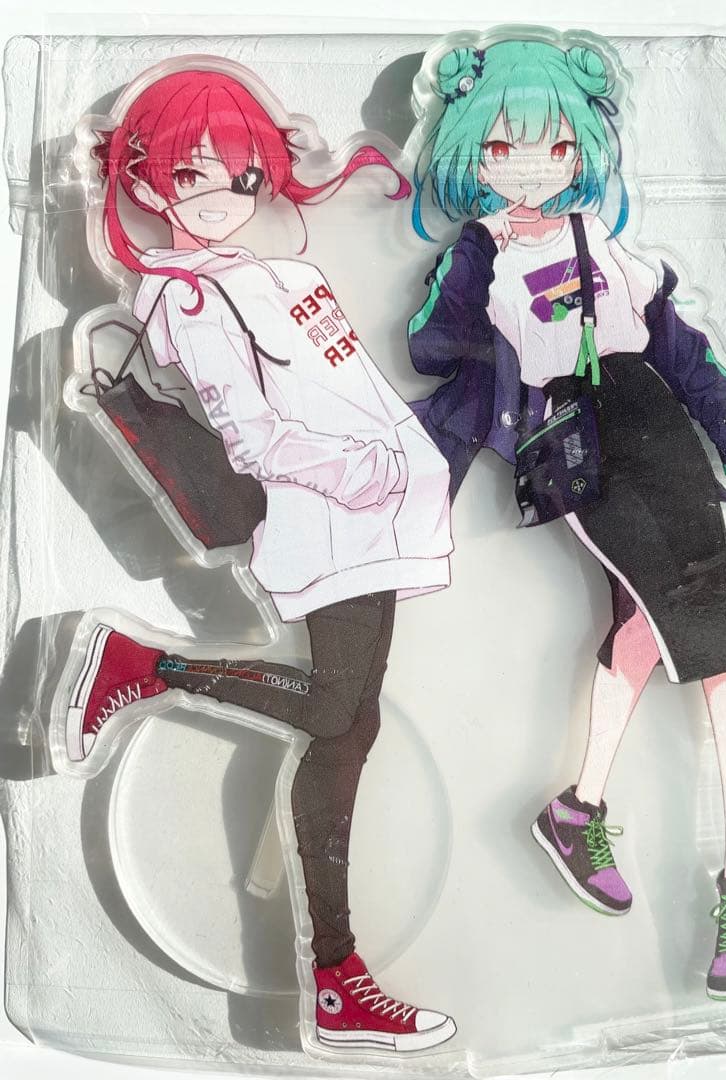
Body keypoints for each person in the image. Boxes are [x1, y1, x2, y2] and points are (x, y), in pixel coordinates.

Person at [57, 63, 456, 1053]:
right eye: (190, 174)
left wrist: (408, 467)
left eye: (240, 174)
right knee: (333, 711)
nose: (220, 196)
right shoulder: (186, 298)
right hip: (328, 514)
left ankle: (338, 982)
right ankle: (145, 666)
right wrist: (368, 472)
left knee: (348, 729)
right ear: (143, 182)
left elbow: (349, 390)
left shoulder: (280, 275)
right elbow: (255, 438)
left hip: (380, 514)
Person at [407, 36, 726, 1001]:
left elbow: (677, 347)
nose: (531, 167)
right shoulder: (480, 253)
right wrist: (478, 264)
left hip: (653, 422)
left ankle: (579, 808)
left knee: (648, 630)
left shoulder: (602, 244)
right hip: (578, 443)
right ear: (470, 150)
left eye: (554, 146)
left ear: (582, 148)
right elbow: (435, 346)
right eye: (503, 148)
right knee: (716, 637)